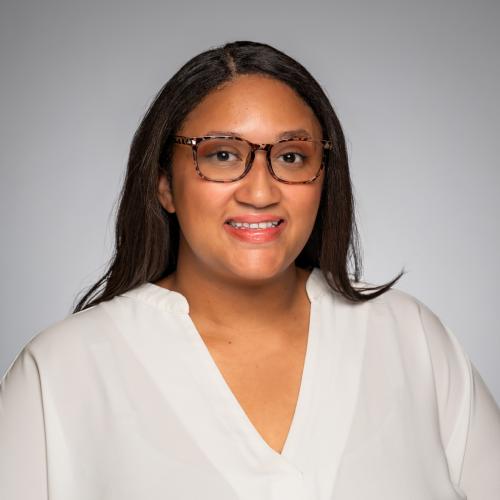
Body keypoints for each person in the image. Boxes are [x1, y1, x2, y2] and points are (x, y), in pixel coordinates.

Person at [1, 40, 499, 500]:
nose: (260, 192)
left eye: (291, 156)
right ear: (164, 186)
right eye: (221, 155)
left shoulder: (412, 339)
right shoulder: (60, 373)